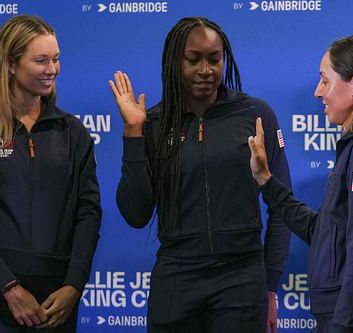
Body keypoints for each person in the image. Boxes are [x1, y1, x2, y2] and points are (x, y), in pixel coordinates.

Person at [110, 16, 292, 333]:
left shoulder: (255, 115)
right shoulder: (152, 122)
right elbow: (136, 213)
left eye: (214, 59)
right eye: (193, 60)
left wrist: (271, 284)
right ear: (174, 62)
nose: (205, 71)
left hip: (241, 277)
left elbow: (282, 204)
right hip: (177, 277)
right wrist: (133, 133)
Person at [248, 34, 353, 333]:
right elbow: (324, 232)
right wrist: (266, 181)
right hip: (349, 315)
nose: (317, 92)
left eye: (325, 80)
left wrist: (342, 327)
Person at [0, 15, 102, 332]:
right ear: (11, 64)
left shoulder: (73, 133)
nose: (52, 69)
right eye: (41, 60)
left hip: (55, 299)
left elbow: (88, 213)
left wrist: (74, 285)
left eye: (56, 59)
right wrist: (9, 288)